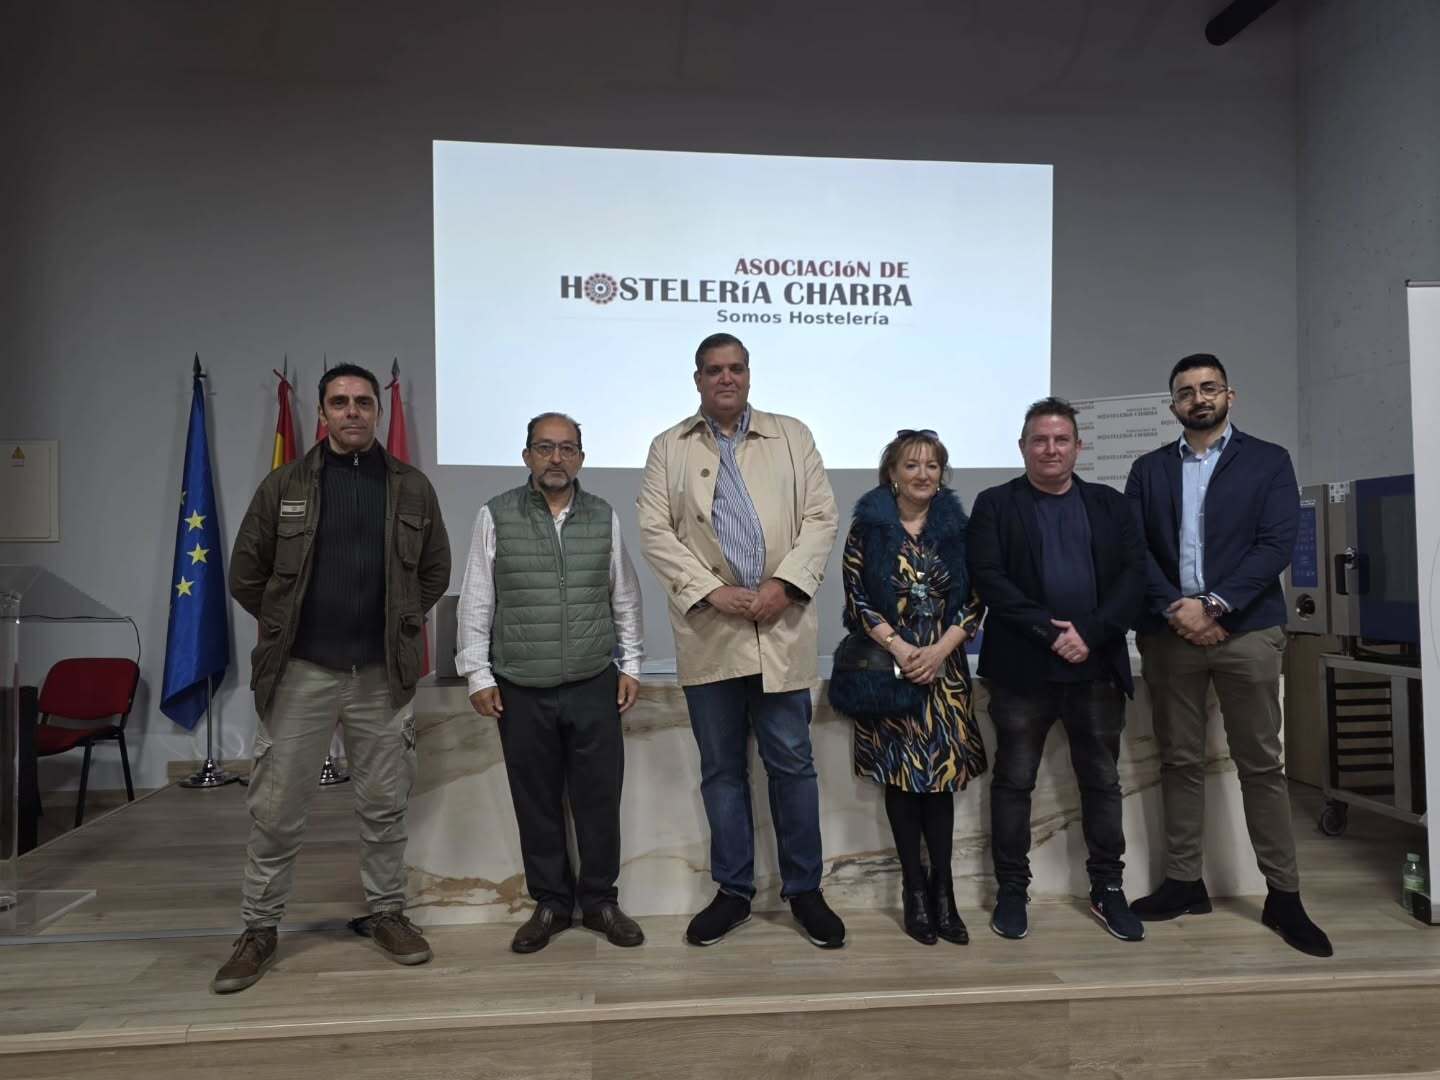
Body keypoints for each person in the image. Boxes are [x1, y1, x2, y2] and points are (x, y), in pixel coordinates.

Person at [218, 362, 451, 993]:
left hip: (382, 673)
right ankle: (259, 928)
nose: (353, 412)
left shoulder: (411, 488)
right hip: (302, 672)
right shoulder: (284, 484)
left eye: (364, 403)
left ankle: (386, 913)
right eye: (340, 402)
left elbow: (434, 572)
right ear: (322, 414)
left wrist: (398, 623)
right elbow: (246, 573)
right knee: (277, 809)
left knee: (384, 805)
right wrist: (290, 625)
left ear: (377, 412)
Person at [637, 333, 843, 949]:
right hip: (711, 628)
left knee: (792, 765)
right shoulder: (667, 447)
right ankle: (732, 892)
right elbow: (654, 530)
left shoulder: (792, 435)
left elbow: (822, 517)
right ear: (697, 379)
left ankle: (805, 891)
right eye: (713, 370)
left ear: (749, 375)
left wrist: (786, 583)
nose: (725, 379)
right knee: (723, 770)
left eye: (735, 369)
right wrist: (709, 591)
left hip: (781, 625)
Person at [1125, 353, 1332, 957]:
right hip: (1170, 634)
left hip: (1244, 634)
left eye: (1208, 388)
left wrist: (1213, 606)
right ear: (1173, 406)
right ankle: (1184, 882)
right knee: (1179, 762)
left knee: (1262, 767)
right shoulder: (1149, 469)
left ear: (1229, 396)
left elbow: (1276, 544)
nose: (1198, 398)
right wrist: (1178, 609)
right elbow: (1135, 551)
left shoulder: (1268, 461)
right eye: (1186, 392)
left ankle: (1285, 897)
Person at [455, 412, 645, 954]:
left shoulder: (603, 515)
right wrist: (477, 672)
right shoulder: (495, 515)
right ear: (527, 456)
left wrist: (630, 664)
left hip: (592, 682)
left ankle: (601, 902)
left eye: (567, 449)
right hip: (521, 685)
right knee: (535, 801)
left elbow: (624, 596)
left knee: (599, 800)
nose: (556, 458)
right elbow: (477, 598)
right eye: (545, 448)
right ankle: (551, 904)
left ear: (581, 457)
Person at [968, 397, 1147, 943]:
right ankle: (1012, 891)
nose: (1050, 449)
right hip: (1023, 671)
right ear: (1022, 447)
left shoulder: (1111, 506)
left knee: (1102, 782)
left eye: (1061, 439)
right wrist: (1051, 633)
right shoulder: (995, 504)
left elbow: (1136, 577)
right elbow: (990, 579)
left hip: (1094, 669)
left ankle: (1107, 889)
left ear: (1077, 446)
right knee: (1014, 781)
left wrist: (1089, 634)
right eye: (1039, 440)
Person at [838, 429, 984, 946]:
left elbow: (975, 601)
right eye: (911, 465)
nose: (923, 473)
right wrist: (901, 650)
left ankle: (945, 895)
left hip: (944, 676)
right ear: (892, 475)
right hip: (887, 671)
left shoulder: (959, 531)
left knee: (939, 784)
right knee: (901, 784)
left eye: (932, 465)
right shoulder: (868, 529)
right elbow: (857, 599)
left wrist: (942, 651)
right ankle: (914, 893)